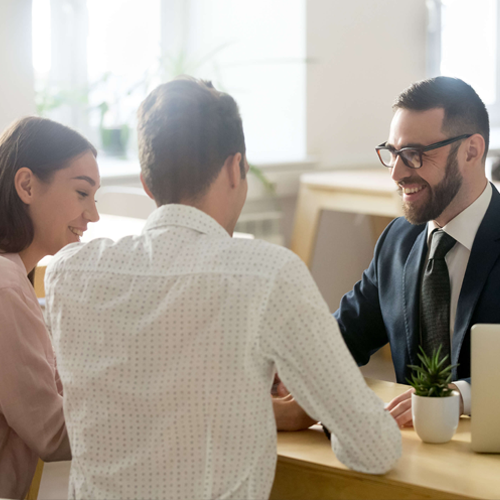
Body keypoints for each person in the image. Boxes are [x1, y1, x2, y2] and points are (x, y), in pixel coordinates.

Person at [44, 77, 401, 500]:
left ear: (146, 182)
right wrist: (296, 408)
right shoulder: (268, 274)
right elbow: (374, 447)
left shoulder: (68, 272)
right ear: (236, 168)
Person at [276, 76, 497, 431]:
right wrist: (284, 369)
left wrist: (458, 396)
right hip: (408, 453)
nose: (396, 172)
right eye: (393, 153)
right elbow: (344, 334)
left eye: (414, 155)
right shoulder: (398, 240)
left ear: (471, 151)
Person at [0, 116, 100, 499]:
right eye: (81, 193)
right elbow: (53, 433)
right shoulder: (7, 288)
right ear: (26, 185)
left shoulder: (15, 280)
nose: (93, 216)